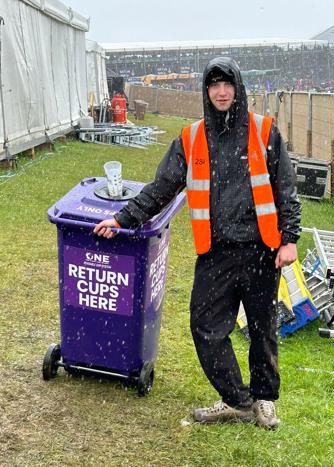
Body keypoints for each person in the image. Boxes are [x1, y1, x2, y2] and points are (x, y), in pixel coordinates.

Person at [94, 57, 301, 429]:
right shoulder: (190, 139)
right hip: (216, 252)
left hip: (262, 250)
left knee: (262, 328)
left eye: (227, 84)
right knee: (205, 326)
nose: (221, 92)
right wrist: (123, 218)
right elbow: (161, 188)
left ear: (238, 88)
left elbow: (285, 187)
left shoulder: (264, 131)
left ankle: (266, 399)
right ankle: (238, 400)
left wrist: (289, 240)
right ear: (206, 91)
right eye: (214, 85)